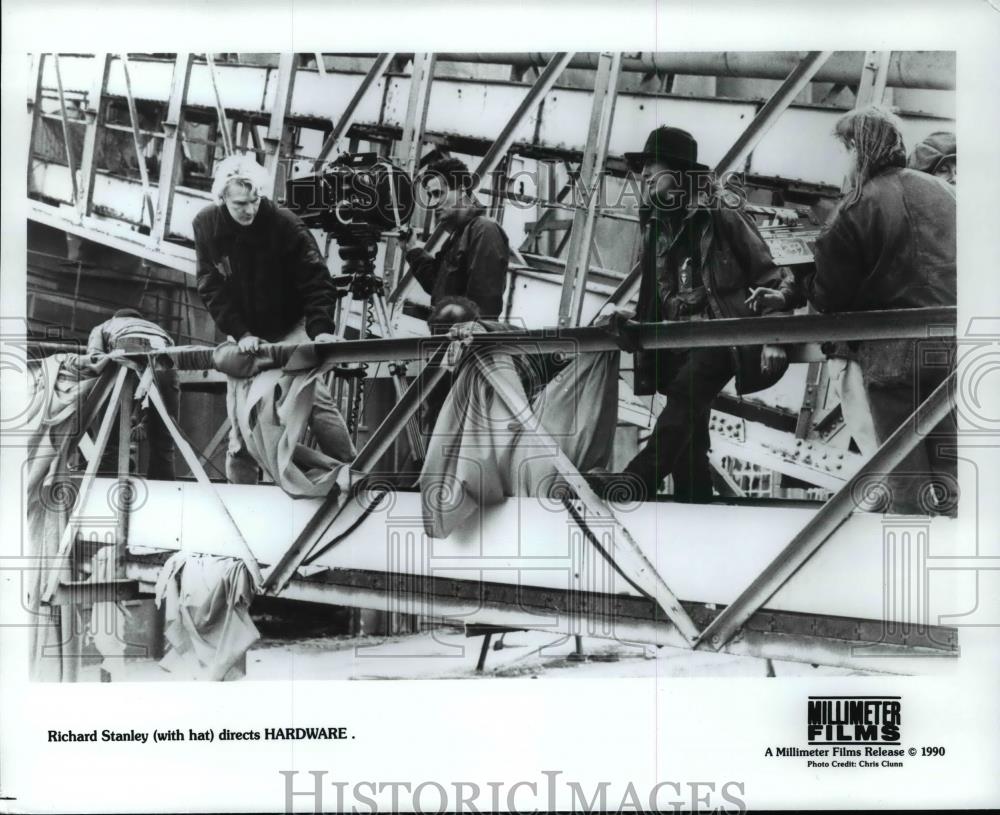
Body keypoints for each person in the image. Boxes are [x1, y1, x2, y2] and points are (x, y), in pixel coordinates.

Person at [594, 126, 802, 503]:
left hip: (722, 332)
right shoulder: (654, 222)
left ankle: (637, 479)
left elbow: (772, 274)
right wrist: (629, 321)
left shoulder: (721, 211)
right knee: (689, 432)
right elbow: (653, 292)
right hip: (677, 337)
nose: (643, 177)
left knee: (684, 396)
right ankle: (696, 505)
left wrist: (776, 332)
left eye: (651, 170)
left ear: (677, 173)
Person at [803, 106, 957, 515]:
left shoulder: (856, 207)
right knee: (952, 468)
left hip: (894, 356)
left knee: (905, 476)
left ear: (856, 149)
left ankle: (918, 565)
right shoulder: (944, 192)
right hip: (956, 347)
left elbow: (830, 295)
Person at [193, 154, 352, 484]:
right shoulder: (206, 225)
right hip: (247, 331)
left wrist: (320, 331)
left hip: (291, 324)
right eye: (240, 204)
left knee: (311, 393)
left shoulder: (285, 224)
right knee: (240, 415)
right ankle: (243, 490)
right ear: (221, 198)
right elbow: (210, 284)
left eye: (255, 200)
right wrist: (240, 331)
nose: (249, 210)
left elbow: (318, 281)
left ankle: (348, 469)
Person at [404, 157, 510, 320]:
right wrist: (412, 250)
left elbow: (484, 305)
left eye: (438, 194)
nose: (432, 203)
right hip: (449, 339)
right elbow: (436, 284)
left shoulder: (483, 230)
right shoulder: (458, 235)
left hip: (463, 341)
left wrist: (464, 339)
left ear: (461, 190)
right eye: (430, 196)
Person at [87, 308, 178, 480]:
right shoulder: (160, 331)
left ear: (116, 317)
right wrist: (145, 420)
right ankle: (164, 494)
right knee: (164, 445)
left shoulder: (105, 326)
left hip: (126, 357)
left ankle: (107, 485)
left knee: (110, 442)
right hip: (163, 361)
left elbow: (95, 359)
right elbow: (162, 374)